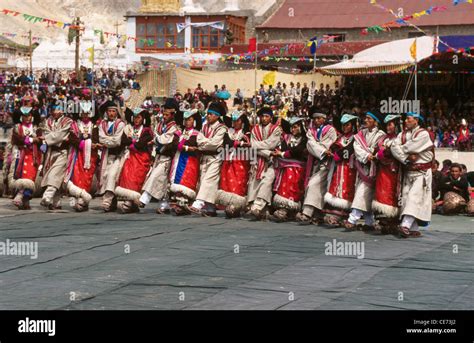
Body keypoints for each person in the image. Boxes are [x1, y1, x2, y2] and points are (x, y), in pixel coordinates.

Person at [391, 112, 434, 238]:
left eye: (408, 119)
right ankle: (413, 227)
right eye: (405, 119)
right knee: (405, 198)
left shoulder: (423, 134)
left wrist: (401, 150)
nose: (405, 121)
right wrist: (407, 159)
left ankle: (405, 225)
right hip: (408, 170)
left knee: (414, 197)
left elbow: (408, 147)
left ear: (416, 120)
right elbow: (394, 147)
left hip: (422, 173)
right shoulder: (402, 134)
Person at [344, 110, 386, 231]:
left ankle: (352, 219)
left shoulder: (381, 134)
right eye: (366, 118)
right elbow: (356, 147)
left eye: (369, 118)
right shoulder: (361, 133)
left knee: (363, 192)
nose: (366, 120)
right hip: (362, 166)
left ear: (375, 121)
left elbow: (378, 148)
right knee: (366, 194)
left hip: (374, 168)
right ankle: (369, 222)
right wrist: (367, 155)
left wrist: (371, 153)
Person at [296, 110, 337, 225]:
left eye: (319, 118)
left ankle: (307, 213)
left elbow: (331, 144)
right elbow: (310, 144)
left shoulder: (330, 130)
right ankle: (318, 214)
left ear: (324, 119)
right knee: (319, 188)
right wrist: (323, 150)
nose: (316, 120)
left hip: (327, 164)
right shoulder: (311, 131)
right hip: (315, 162)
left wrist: (319, 148)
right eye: (315, 118)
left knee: (313, 184)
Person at [139, 99, 180, 213]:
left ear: (172, 114)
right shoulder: (160, 124)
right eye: (164, 114)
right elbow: (157, 138)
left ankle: (144, 199)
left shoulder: (174, 127)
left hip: (168, 157)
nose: (165, 116)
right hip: (158, 155)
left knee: (156, 177)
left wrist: (156, 140)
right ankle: (164, 205)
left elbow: (165, 139)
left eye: (167, 114)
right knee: (162, 181)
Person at [188, 102, 228, 217]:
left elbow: (214, 144)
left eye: (211, 114)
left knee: (208, 180)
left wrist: (203, 144)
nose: (208, 116)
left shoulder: (222, 128)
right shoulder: (204, 126)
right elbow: (198, 139)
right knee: (206, 181)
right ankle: (210, 208)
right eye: (208, 114)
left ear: (217, 116)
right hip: (204, 157)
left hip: (215, 157)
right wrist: (206, 143)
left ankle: (198, 203)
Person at [115, 108, 154, 213]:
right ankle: (128, 200)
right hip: (130, 156)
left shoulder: (146, 130)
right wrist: (134, 143)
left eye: (139, 117)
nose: (136, 120)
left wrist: (131, 142)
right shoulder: (129, 128)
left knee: (136, 179)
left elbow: (141, 143)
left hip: (141, 158)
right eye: (135, 117)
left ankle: (132, 201)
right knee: (126, 177)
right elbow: (123, 140)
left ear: (143, 119)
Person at [247, 107, 282, 220]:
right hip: (258, 161)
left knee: (266, 182)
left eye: (266, 116)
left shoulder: (276, 129)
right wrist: (268, 153)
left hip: (272, 162)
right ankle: (261, 209)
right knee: (254, 183)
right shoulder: (255, 129)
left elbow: (271, 143)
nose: (264, 118)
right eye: (262, 116)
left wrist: (257, 146)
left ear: (271, 118)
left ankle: (257, 206)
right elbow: (254, 144)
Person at [324, 114, 359, 226]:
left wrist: (337, 154)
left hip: (351, 167)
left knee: (348, 187)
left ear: (352, 126)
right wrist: (334, 152)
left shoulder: (356, 138)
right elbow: (334, 147)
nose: (344, 127)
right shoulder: (340, 138)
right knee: (336, 187)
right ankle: (335, 212)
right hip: (339, 167)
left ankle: (344, 213)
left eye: (347, 125)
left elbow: (349, 151)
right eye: (343, 125)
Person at [270, 117, 307, 222]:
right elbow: (287, 149)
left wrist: (284, 153)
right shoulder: (287, 137)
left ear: (301, 127)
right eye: (291, 127)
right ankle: (283, 208)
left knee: (295, 184)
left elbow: (298, 151)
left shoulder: (305, 139)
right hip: (285, 166)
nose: (293, 130)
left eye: (295, 127)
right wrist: (288, 153)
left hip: (300, 167)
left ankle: (292, 210)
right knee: (284, 179)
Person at [64, 101, 99, 212]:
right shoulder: (74, 125)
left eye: (87, 113)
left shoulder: (94, 126)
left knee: (87, 178)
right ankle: (73, 202)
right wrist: (84, 144)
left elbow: (96, 140)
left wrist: (92, 144)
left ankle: (84, 201)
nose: (85, 115)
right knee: (75, 178)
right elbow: (72, 138)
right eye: (83, 112)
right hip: (76, 154)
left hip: (90, 157)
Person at [216, 110, 251, 218]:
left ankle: (237, 205)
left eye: (237, 121)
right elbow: (227, 142)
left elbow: (248, 145)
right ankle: (229, 205)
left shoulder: (247, 133)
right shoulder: (229, 132)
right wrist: (239, 143)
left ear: (242, 122)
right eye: (234, 120)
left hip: (241, 161)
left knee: (239, 182)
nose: (235, 123)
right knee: (227, 182)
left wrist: (237, 144)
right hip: (228, 160)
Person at [372, 114, 402, 234]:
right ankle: (383, 221)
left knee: (392, 194)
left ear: (396, 125)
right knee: (381, 193)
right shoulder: (382, 138)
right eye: (387, 124)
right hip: (382, 171)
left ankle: (393, 221)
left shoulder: (400, 138)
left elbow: (395, 154)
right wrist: (378, 154)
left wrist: (382, 153)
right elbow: (376, 151)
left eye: (390, 124)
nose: (388, 127)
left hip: (394, 172)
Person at [40, 104, 74, 210]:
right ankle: (56, 202)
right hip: (51, 152)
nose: (55, 111)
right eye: (54, 109)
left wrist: (47, 138)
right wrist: (53, 137)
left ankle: (47, 197)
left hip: (63, 152)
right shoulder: (48, 121)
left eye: (58, 109)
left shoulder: (68, 121)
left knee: (54, 175)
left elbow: (60, 134)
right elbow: (48, 133)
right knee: (54, 176)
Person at [169, 109, 202, 215]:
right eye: (186, 119)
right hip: (179, 158)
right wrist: (187, 147)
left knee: (187, 180)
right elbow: (174, 144)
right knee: (177, 180)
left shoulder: (197, 134)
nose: (187, 122)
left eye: (190, 119)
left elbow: (194, 144)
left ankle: (185, 202)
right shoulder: (179, 132)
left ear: (194, 121)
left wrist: (182, 146)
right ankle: (178, 203)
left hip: (190, 161)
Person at [10, 106, 42, 210]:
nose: (27, 118)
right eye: (24, 116)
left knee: (31, 177)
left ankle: (23, 196)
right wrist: (32, 140)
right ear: (21, 116)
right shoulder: (17, 127)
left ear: (32, 116)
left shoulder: (36, 128)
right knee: (19, 176)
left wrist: (38, 140)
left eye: (29, 116)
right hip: (20, 155)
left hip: (33, 156)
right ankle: (23, 199)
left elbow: (41, 140)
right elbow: (16, 139)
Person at [97, 101, 126, 212]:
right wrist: (110, 140)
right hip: (107, 155)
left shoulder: (121, 124)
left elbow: (117, 141)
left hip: (118, 155)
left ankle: (107, 201)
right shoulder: (102, 124)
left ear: (117, 112)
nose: (111, 113)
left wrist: (107, 141)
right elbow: (101, 138)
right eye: (109, 111)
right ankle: (112, 203)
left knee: (112, 175)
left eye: (113, 111)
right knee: (105, 176)